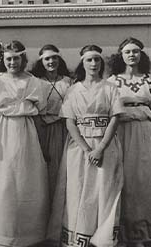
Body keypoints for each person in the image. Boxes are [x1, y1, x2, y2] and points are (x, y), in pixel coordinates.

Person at [49, 45, 123, 247]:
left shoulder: (110, 88)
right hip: (78, 147)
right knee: (78, 189)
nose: (93, 64)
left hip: (105, 145)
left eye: (97, 60)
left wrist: (100, 149)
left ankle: (103, 239)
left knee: (105, 189)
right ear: (82, 62)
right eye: (89, 60)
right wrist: (86, 149)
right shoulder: (73, 89)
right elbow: (69, 122)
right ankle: (78, 238)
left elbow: (115, 119)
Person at [0, 40, 49, 247]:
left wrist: (41, 144)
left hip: (26, 132)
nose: (13, 62)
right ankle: (0, 234)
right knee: (3, 181)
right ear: (3, 60)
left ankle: (28, 234)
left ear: (23, 59)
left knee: (25, 180)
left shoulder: (33, 81)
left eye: (16, 58)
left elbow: (38, 115)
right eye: (8, 59)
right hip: (2, 131)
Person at [108, 37, 151, 247]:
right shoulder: (112, 81)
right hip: (120, 132)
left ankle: (140, 233)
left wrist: (141, 110)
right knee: (120, 178)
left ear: (141, 54)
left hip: (144, 133)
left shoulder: (149, 80)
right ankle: (120, 232)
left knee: (141, 180)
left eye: (135, 51)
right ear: (121, 55)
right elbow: (107, 109)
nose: (132, 55)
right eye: (127, 52)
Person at [30, 44, 72, 203]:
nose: (51, 61)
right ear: (41, 61)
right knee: (46, 169)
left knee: (64, 169)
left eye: (54, 57)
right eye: (47, 58)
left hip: (65, 128)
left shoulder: (68, 81)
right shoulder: (36, 82)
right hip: (44, 128)